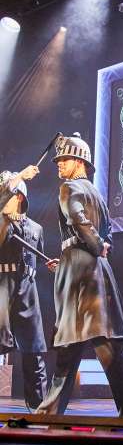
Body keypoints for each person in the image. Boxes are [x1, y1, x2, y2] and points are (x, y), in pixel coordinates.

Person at [37, 133, 123, 415]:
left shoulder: (68, 188)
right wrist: (89, 249)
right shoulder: (98, 194)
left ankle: (50, 412)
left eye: (65, 159)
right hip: (92, 269)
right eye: (58, 159)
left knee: (87, 342)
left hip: (81, 273)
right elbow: (106, 237)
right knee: (96, 343)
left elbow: (78, 220)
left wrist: (90, 246)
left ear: (80, 161)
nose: (59, 164)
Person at [0, 165, 47, 411]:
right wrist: (17, 176)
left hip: (28, 289)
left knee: (34, 350)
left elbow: (38, 259)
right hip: (1, 288)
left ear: (18, 197)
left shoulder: (36, 229)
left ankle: (39, 407)